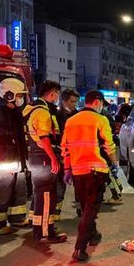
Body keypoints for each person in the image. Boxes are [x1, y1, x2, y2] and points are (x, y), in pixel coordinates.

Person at [62, 90, 119, 262]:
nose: (102, 107)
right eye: (101, 103)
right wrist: (114, 163)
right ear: (96, 102)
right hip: (96, 169)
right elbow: (109, 145)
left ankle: (93, 235)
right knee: (91, 209)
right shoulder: (100, 120)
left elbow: (65, 148)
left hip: (78, 171)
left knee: (86, 206)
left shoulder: (71, 120)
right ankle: (80, 248)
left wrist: (66, 169)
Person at [0, 78, 29, 234]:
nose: (21, 99)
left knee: (19, 192)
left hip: (15, 162)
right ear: (9, 95)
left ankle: (17, 218)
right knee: (1, 194)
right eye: (19, 95)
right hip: (1, 164)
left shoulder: (15, 113)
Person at [23, 80, 67, 243]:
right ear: (51, 93)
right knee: (47, 195)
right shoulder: (42, 112)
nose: (57, 98)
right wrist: (53, 158)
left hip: (34, 156)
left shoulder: (29, 109)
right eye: (57, 94)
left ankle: (37, 228)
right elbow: (44, 137)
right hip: (43, 156)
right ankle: (44, 232)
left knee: (39, 194)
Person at [54, 88, 80, 222]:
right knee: (60, 185)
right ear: (63, 101)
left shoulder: (78, 115)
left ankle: (81, 211)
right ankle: (56, 212)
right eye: (71, 102)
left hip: (77, 156)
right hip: (62, 155)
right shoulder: (56, 116)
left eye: (76, 102)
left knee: (79, 185)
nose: (74, 104)